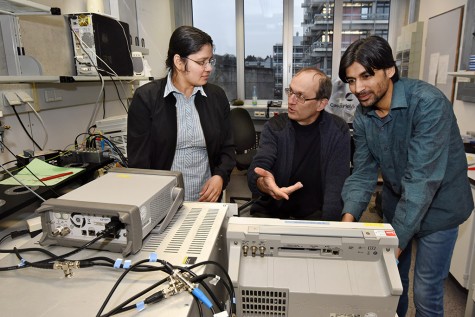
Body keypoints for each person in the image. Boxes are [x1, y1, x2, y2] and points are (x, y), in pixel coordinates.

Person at [338, 35, 473, 317]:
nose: (358, 88)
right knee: (391, 282)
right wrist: (346, 223)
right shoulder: (363, 116)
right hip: (397, 202)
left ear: (390, 70)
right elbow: (363, 172)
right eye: (351, 80)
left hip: (439, 208)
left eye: (366, 76)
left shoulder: (428, 104)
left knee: (425, 291)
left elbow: (421, 182)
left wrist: (393, 246)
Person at [127, 26, 235, 202]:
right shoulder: (146, 98)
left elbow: (227, 147)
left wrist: (220, 176)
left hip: (206, 200)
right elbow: (139, 162)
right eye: (201, 62)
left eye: (210, 61)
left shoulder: (216, 96)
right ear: (178, 62)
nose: (209, 68)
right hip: (163, 201)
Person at [247, 67, 351, 220]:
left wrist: (330, 232)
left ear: (321, 104)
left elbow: (336, 187)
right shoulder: (275, 126)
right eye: (290, 91)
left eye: (300, 96)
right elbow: (258, 168)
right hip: (272, 212)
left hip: (315, 216)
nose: (291, 100)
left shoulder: (338, 130)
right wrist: (263, 183)